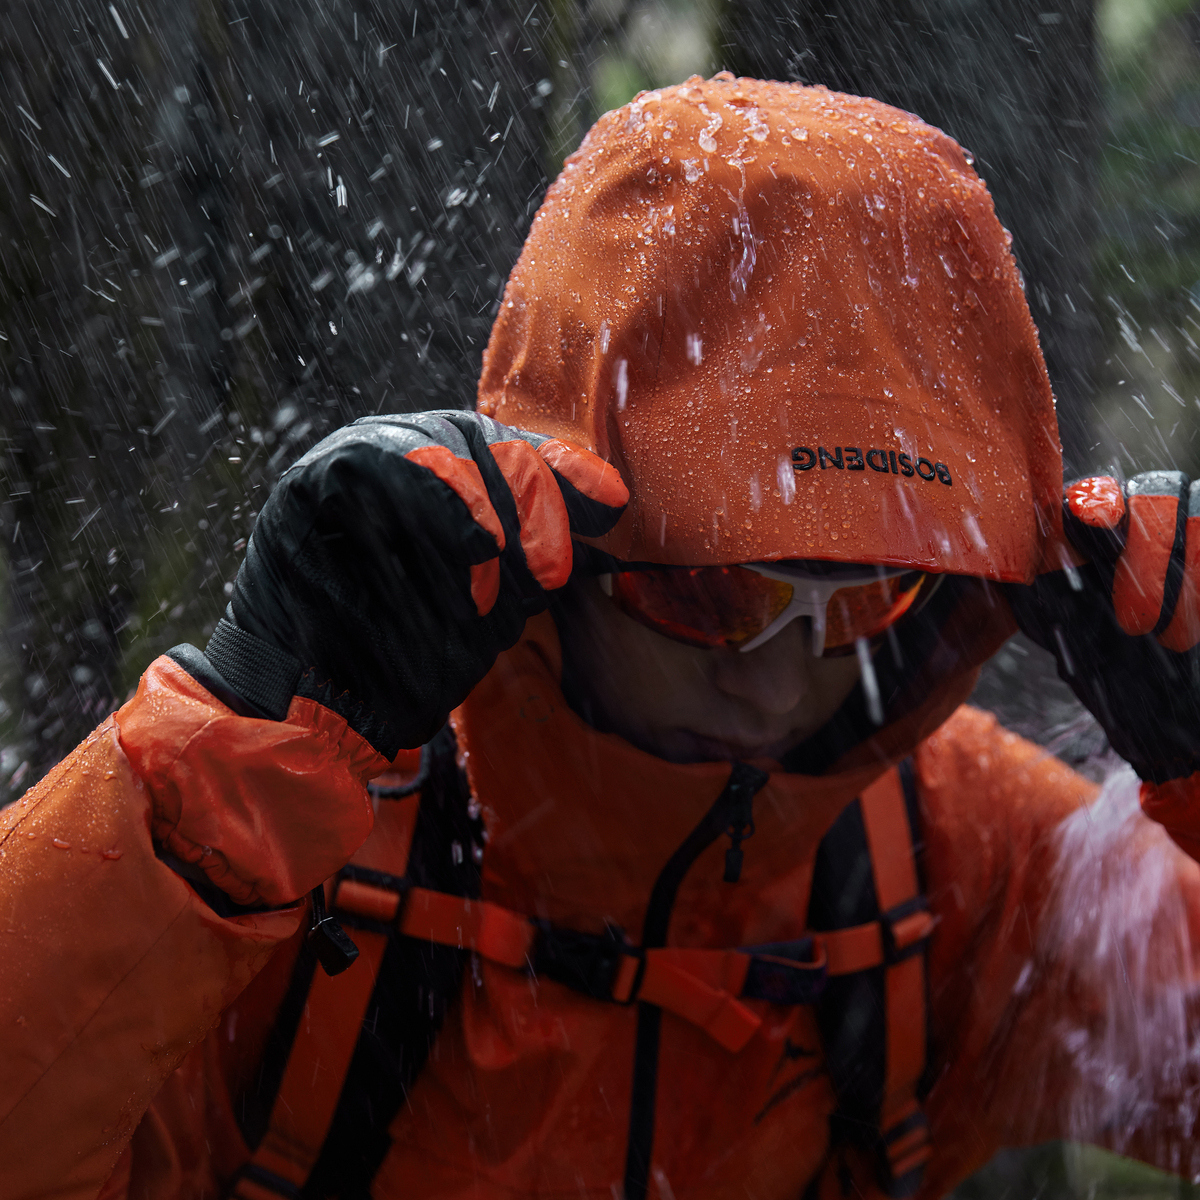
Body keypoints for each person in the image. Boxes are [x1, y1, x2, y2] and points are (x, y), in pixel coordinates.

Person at [3, 73, 1200, 1200]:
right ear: (563, 552)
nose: (779, 682)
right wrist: (221, 765)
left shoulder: (949, 856)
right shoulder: (284, 838)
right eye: (711, 597)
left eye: (861, 598)